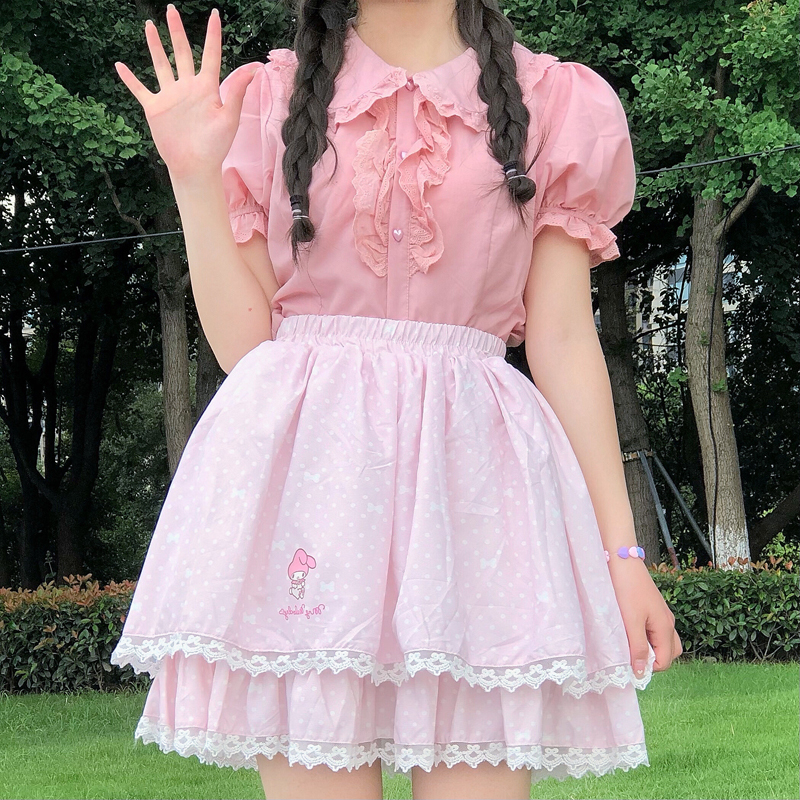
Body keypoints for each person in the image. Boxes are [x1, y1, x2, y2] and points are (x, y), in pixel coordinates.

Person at [110, 0, 683, 798]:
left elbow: (561, 339)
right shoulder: (269, 101)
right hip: (311, 495)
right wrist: (193, 177)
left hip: (475, 495)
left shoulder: (553, 102)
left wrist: (622, 557)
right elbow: (250, 350)